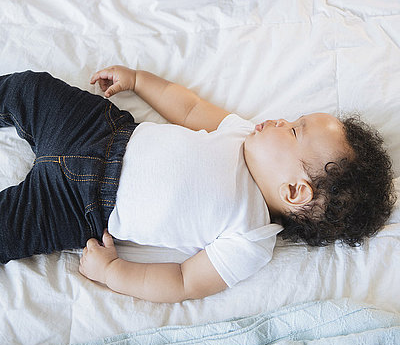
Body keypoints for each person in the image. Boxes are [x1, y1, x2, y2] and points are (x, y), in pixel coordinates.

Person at [0, 66, 395, 302]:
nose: (278, 120)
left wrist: (112, 274)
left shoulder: (252, 238)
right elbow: (188, 107)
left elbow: (183, 281)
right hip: (101, 130)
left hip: (78, 204)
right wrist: (140, 79)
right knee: (26, 88)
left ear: (295, 191)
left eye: (292, 130)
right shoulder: (242, 134)